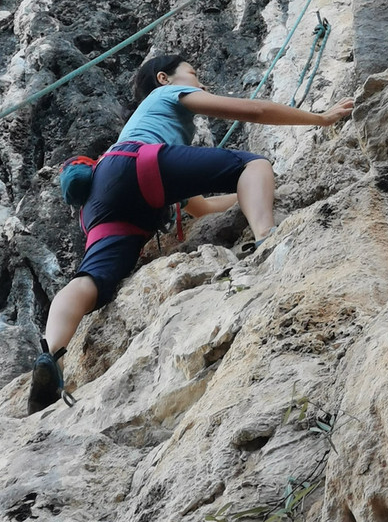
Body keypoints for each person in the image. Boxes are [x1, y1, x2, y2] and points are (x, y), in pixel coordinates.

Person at [28, 53, 354, 412]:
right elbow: (255, 112)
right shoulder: (164, 96)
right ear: (165, 79)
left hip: (103, 196)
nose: (202, 83)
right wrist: (320, 119)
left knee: (91, 280)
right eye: (194, 74)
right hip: (140, 164)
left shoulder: (146, 130)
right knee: (255, 162)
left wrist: (264, 187)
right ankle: (268, 239)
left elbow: (202, 207)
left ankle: (52, 357)